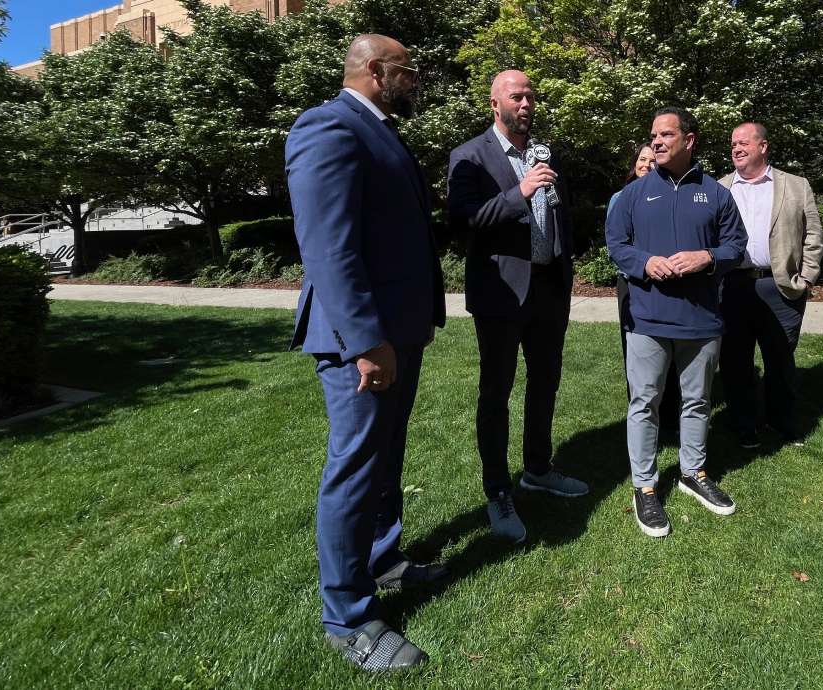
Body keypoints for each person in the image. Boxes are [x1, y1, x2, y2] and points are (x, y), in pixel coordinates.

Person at [285, 34, 447, 672]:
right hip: (364, 342)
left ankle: (383, 560)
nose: (416, 80)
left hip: (393, 335)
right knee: (355, 471)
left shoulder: (378, 128)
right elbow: (327, 246)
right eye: (409, 70)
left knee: (385, 459)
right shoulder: (328, 126)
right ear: (377, 71)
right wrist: (366, 342)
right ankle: (347, 617)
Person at [447, 70, 588, 544]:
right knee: (497, 391)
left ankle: (539, 468)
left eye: (531, 95)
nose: (526, 102)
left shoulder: (545, 154)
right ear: (495, 103)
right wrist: (519, 192)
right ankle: (497, 490)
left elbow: (561, 213)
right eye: (517, 95)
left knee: (545, 382)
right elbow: (466, 221)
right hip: (503, 294)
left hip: (549, 286)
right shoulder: (470, 156)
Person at [606, 106, 748, 538]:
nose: (658, 142)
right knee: (644, 403)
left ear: (690, 140)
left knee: (698, 401)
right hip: (647, 319)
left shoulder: (717, 194)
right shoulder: (633, 194)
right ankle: (645, 486)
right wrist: (645, 262)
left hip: (702, 321)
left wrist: (708, 257)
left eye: (667, 134)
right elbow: (616, 245)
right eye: (654, 136)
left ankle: (693, 472)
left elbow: (736, 245)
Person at [718, 122, 823, 449]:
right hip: (733, 287)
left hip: (780, 287)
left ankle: (782, 422)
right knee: (735, 361)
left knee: (780, 359)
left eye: (743, 143)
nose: (736, 148)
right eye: (733, 143)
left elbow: (813, 235)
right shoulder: (719, 188)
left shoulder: (795, 185)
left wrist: (806, 277)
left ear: (763, 146)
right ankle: (744, 424)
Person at [609, 144, 681, 430]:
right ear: (634, 163)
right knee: (636, 350)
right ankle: (642, 415)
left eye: (652, 160)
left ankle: (670, 412)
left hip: (668, 281)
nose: (647, 164)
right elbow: (616, 244)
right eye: (642, 159)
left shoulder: (669, 195)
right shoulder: (621, 197)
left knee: (672, 348)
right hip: (632, 283)